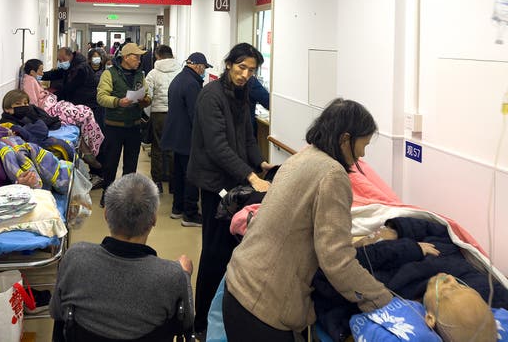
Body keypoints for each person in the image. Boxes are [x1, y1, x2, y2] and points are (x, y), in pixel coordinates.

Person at [223, 98, 393, 342]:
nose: (363, 154)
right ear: (345, 139)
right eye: (363, 144)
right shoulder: (333, 175)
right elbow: (337, 261)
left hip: (239, 285)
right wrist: (382, 299)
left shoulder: (302, 157)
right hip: (263, 307)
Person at [187, 42, 273, 336]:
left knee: (231, 251)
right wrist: (251, 177)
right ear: (228, 64)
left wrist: (262, 164)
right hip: (214, 184)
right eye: (241, 68)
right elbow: (218, 146)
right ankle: (201, 324)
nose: (245, 74)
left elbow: (247, 137)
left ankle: (223, 316)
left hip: (234, 180)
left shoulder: (242, 94)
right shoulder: (210, 96)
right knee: (213, 252)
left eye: (251, 70)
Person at [312, 216, 508, 341]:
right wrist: (395, 229)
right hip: (390, 221)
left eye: (449, 291)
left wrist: (404, 248)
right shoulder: (483, 291)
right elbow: (442, 229)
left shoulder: (387, 298)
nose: (449, 279)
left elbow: (329, 272)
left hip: (362, 245)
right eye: (462, 287)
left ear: (429, 318)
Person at [49, 173, 194, 339]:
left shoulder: (75, 258)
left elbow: (56, 311)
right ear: (154, 219)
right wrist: (185, 276)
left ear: (106, 215)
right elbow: (186, 323)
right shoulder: (172, 275)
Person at [22, 59, 103, 169]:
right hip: (50, 109)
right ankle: (92, 150)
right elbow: (33, 104)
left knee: (85, 112)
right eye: (41, 70)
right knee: (85, 113)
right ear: (32, 72)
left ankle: (90, 150)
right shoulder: (29, 81)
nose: (42, 73)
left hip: (53, 105)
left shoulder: (32, 80)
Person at [161, 52, 211, 227]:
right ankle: (190, 214)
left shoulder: (179, 79)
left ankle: (178, 208)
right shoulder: (192, 84)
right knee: (191, 176)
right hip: (187, 137)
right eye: (204, 68)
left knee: (180, 174)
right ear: (197, 66)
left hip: (177, 136)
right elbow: (195, 114)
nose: (204, 71)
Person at [97, 42, 151, 205]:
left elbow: (147, 94)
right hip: (114, 126)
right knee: (111, 164)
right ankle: (107, 195)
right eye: (136, 57)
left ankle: (127, 196)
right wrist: (118, 102)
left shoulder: (140, 75)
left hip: (134, 126)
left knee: (131, 165)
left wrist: (144, 100)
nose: (139, 60)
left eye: (140, 57)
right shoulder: (109, 74)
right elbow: (101, 97)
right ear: (126, 58)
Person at [145, 44, 181, 194]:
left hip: (158, 114)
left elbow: (148, 96)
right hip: (176, 114)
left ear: (158, 56)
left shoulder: (152, 73)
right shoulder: (180, 71)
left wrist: (149, 113)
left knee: (157, 148)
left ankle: (157, 183)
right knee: (174, 149)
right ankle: (174, 183)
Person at [87, 48, 107, 132]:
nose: (96, 59)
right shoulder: (85, 71)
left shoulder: (105, 72)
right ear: (89, 59)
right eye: (94, 57)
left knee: (100, 128)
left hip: (100, 106)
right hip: (88, 104)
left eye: (98, 57)